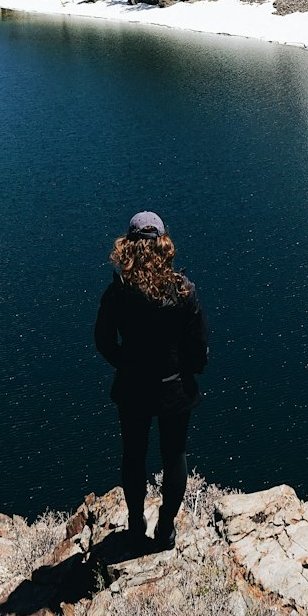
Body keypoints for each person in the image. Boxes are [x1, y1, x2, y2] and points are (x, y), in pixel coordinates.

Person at [94, 210, 209, 552]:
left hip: (133, 388)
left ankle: (134, 525)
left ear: (127, 246)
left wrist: (124, 364)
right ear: (163, 245)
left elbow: (103, 340)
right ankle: (166, 528)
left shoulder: (118, 293)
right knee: (174, 455)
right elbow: (198, 346)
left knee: (133, 455)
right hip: (174, 388)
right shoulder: (183, 291)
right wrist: (191, 370)